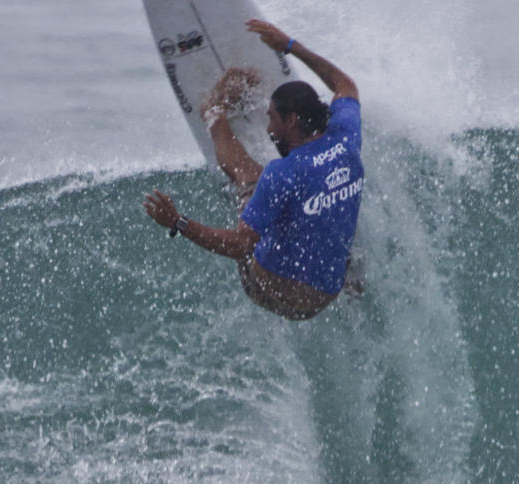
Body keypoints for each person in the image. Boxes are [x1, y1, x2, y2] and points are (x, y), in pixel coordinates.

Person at [142, 18, 363, 320]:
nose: (269, 126)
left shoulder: (280, 174)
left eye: (272, 118)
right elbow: (344, 84)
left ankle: (214, 115)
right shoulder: (347, 137)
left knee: (249, 177)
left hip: (274, 292)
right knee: (317, 213)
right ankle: (351, 280)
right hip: (328, 291)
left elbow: (238, 245)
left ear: (292, 121)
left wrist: (177, 221)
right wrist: (290, 46)